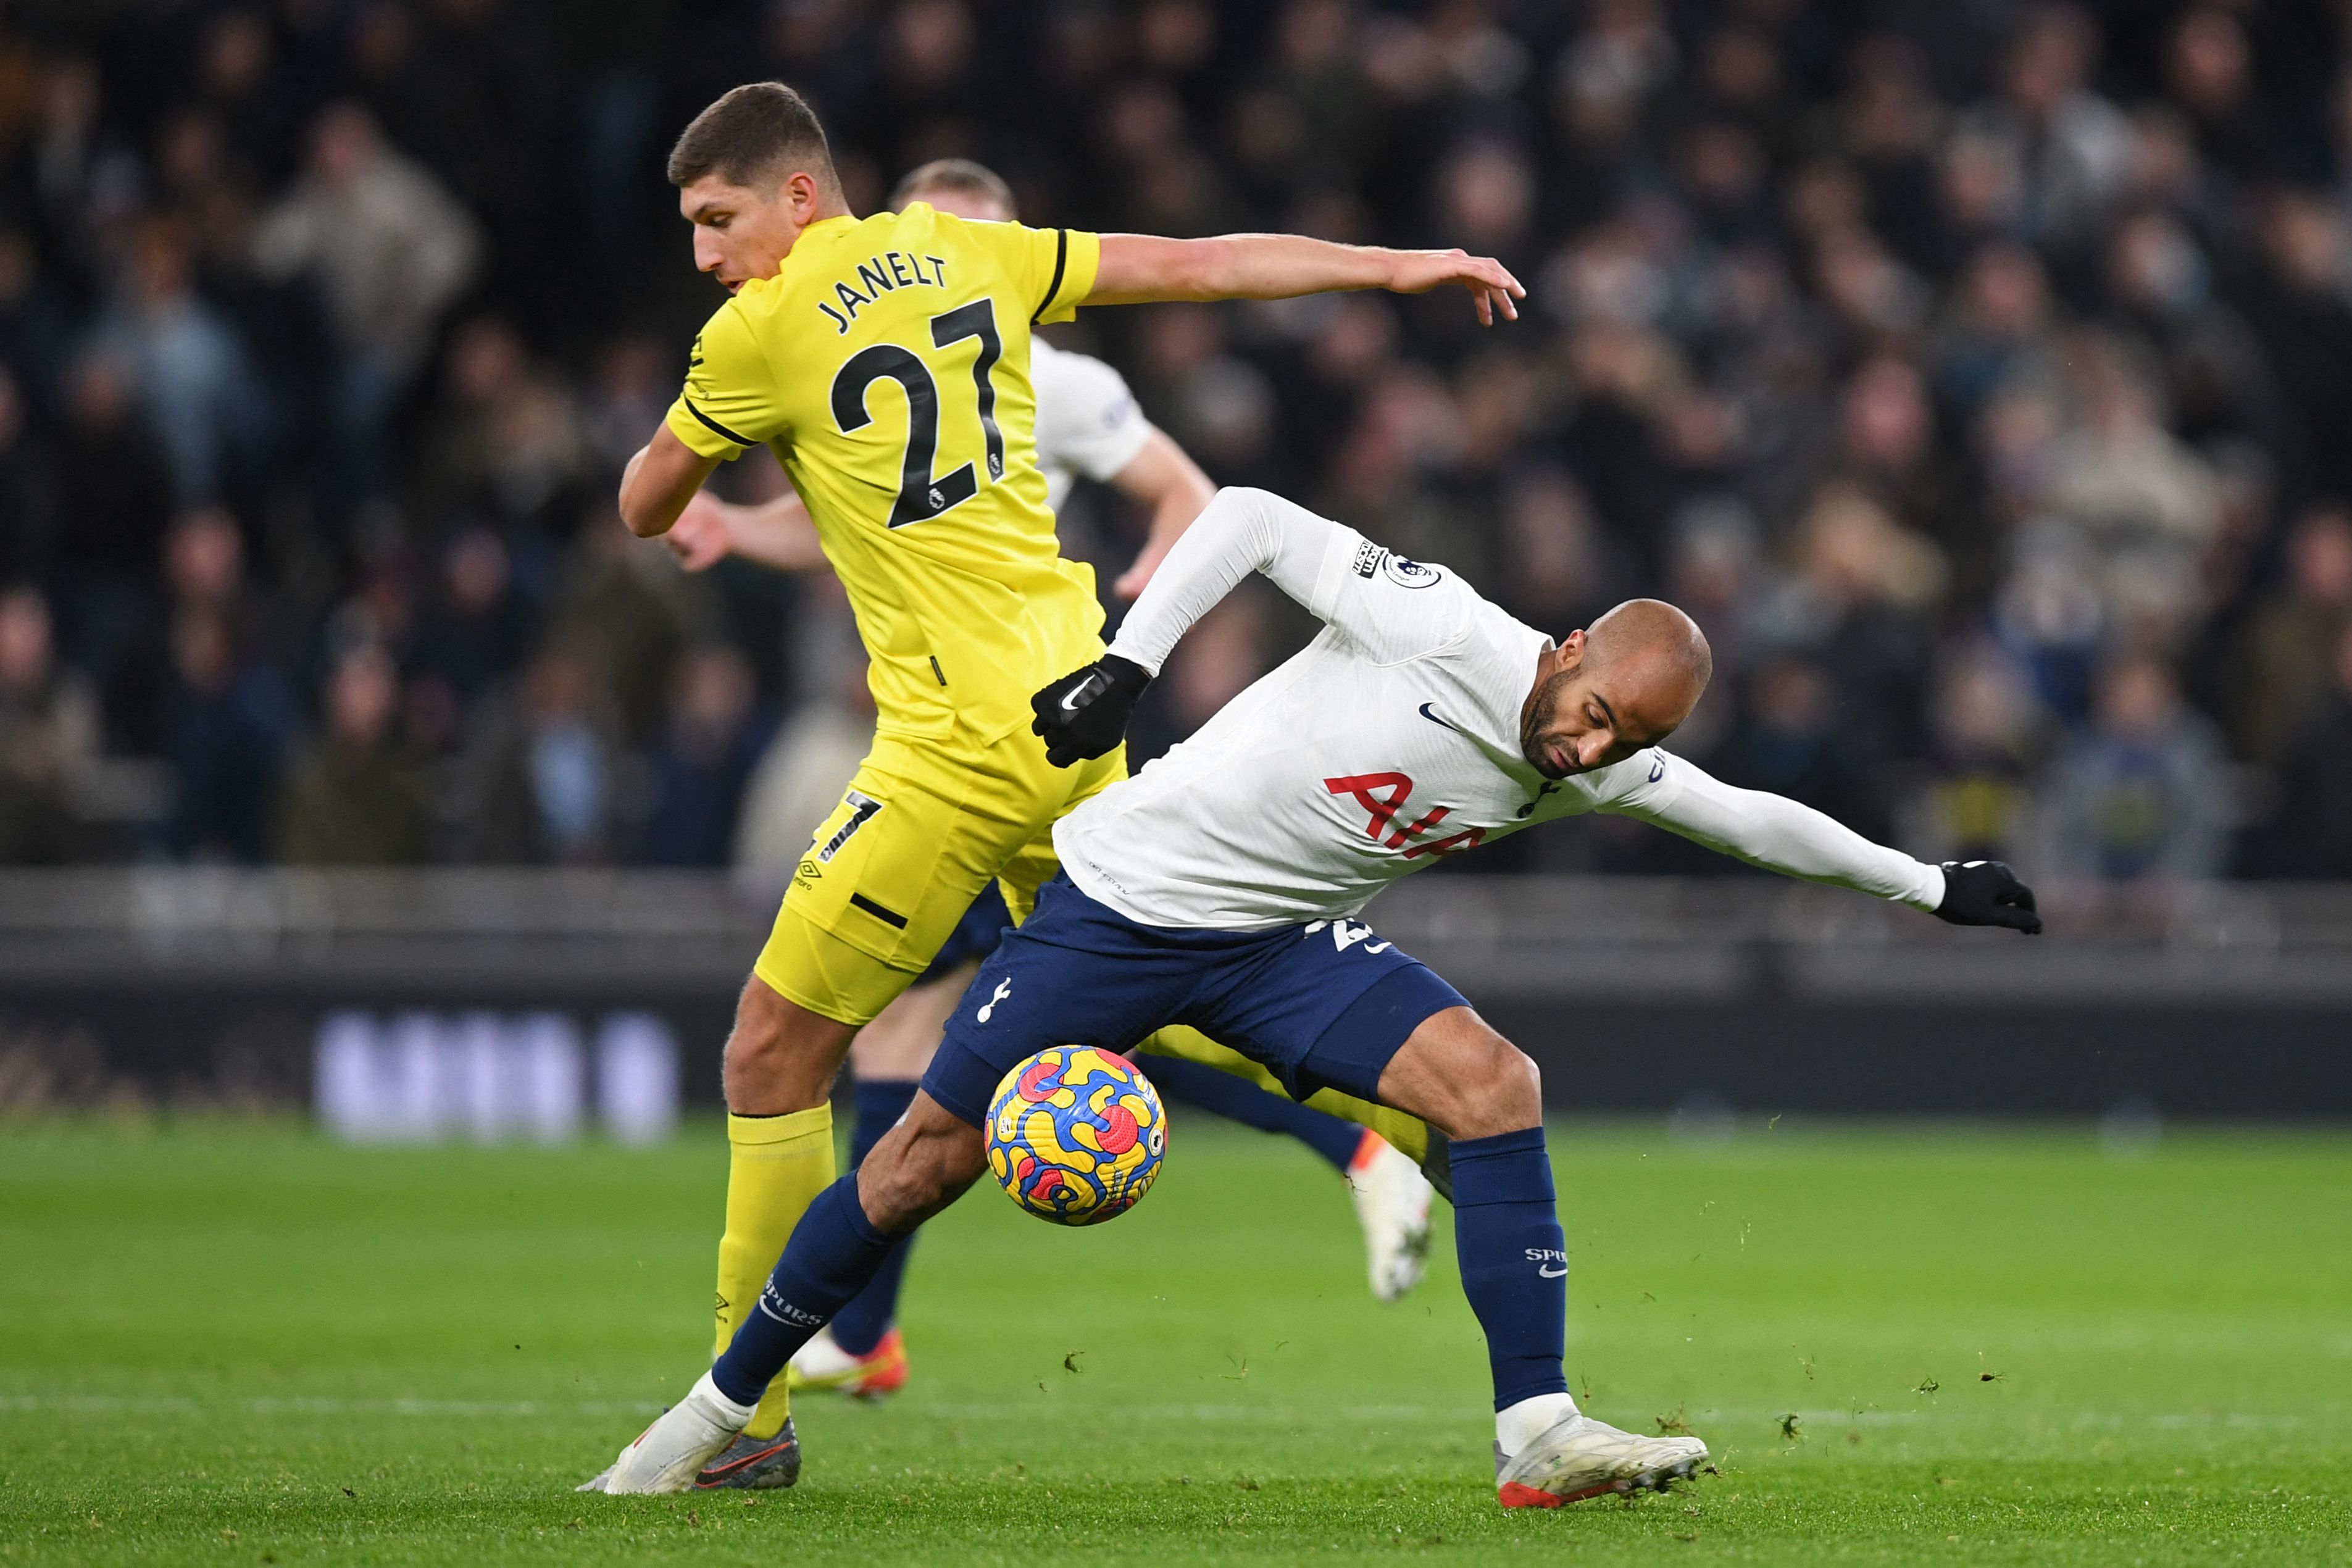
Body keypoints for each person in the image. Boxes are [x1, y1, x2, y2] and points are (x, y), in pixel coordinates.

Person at [583, 486, 2041, 1504]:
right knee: (917, 1164)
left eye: (1623, 741)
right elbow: (1255, 519)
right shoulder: (1452, 630)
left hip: (1278, 946)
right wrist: (1126, 664)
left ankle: (1536, 1431)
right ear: (1576, 642)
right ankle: (714, 1416)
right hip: (1125, 905)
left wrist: (1930, 883)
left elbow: (1749, 815)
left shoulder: (1602, 764)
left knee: (1497, 1086)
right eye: (1594, 708)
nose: (1591, 747)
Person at [614, 83, 1523, 1491]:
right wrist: (1399, 265)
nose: (707, 254)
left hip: (956, 750)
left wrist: (704, 477)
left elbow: (642, 501)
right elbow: (1204, 265)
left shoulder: (758, 331)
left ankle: (751, 1419)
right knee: (1148, 980)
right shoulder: (980, 255)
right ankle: (1421, 1119)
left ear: (800, 194)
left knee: (771, 1055)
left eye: (717, 219)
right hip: (1082, 704)